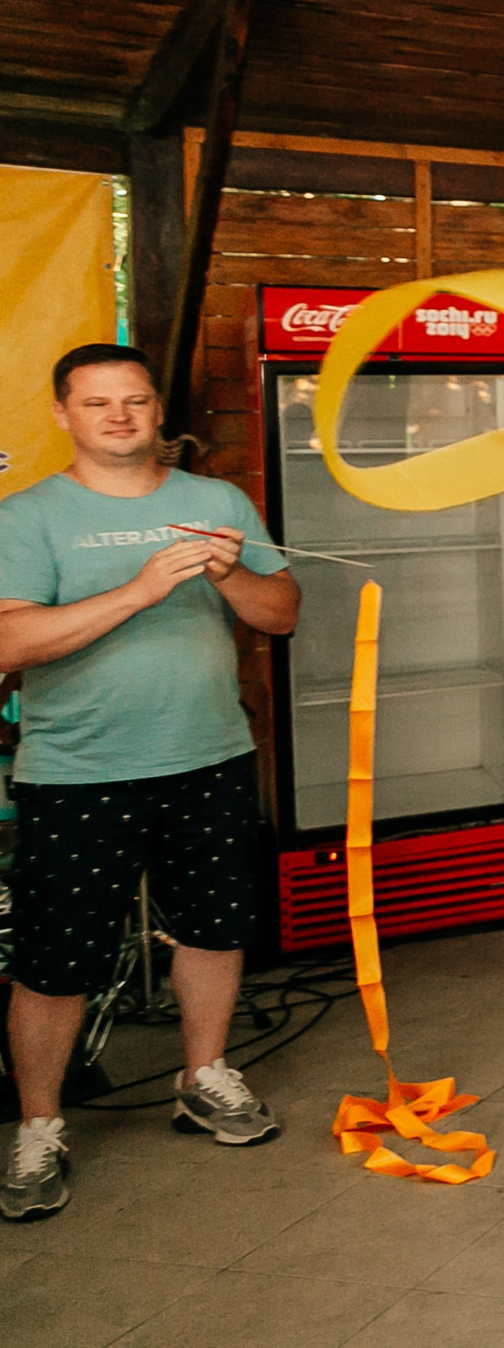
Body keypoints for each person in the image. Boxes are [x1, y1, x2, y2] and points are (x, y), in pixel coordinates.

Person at [0, 344, 301, 1223]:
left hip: (209, 754)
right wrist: (137, 591)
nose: (119, 416)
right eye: (98, 404)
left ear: (155, 409)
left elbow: (281, 613)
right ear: (64, 414)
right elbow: (11, 646)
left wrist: (229, 573)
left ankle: (203, 1076)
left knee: (212, 927)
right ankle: (40, 1125)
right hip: (78, 769)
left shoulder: (215, 502)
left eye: (133, 401)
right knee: (56, 961)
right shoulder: (28, 517)